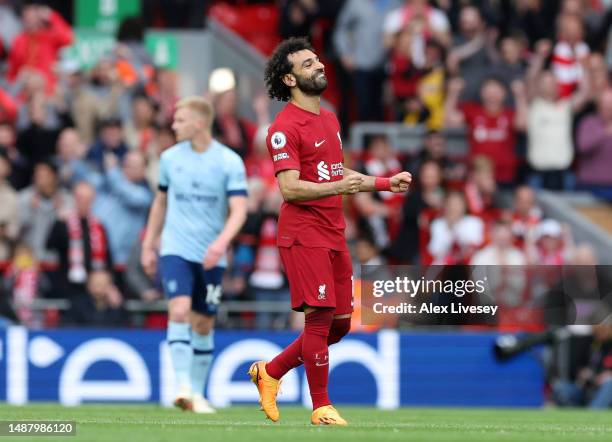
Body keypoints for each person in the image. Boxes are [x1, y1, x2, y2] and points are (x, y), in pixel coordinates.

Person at [248, 37, 411, 426]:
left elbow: (339, 176)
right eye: (307, 64)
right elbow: (289, 188)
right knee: (319, 319)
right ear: (289, 79)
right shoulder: (283, 127)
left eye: (317, 60)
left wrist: (384, 183)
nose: (318, 65)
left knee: (339, 325)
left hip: (334, 232)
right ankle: (321, 406)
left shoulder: (330, 118)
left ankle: (270, 372)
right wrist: (340, 188)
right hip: (303, 233)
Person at [141, 96, 248, 413]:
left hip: (212, 255)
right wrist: (150, 243)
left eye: (180, 120)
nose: (174, 125)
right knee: (178, 310)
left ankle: (197, 395)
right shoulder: (170, 158)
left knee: (203, 324)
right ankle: (183, 386)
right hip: (176, 248)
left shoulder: (229, 161)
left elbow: (239, 210)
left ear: (200, 123)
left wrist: (221, 243)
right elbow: (160, 202)